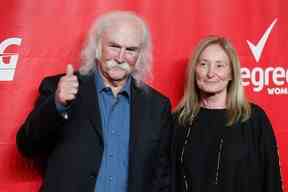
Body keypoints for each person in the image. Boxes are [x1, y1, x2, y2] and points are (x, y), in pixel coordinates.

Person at [16, 11, 173, 192]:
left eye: (130, 50)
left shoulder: (157, 106)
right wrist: (57, 104)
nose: (121, 57)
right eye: (114, 46)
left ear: (140, 55)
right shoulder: (58, 88)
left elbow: (161, 177)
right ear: (97, 46)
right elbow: (27, 146)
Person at [172, 35, 283, 192]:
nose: (210, 73)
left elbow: (272, 181)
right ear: (194, 71)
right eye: (203, 64)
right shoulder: (178, 121)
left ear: (232, 73)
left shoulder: (254, 119)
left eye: (219, 66)